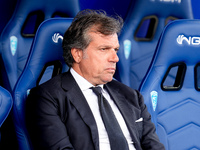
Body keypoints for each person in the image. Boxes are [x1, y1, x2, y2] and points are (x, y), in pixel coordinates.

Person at [26, 9, 165, 150]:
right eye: (104, 49)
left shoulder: (132, 96)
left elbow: (154, 147)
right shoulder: (47, 97)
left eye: (115, 50)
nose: (115, 58)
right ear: (77, 54)